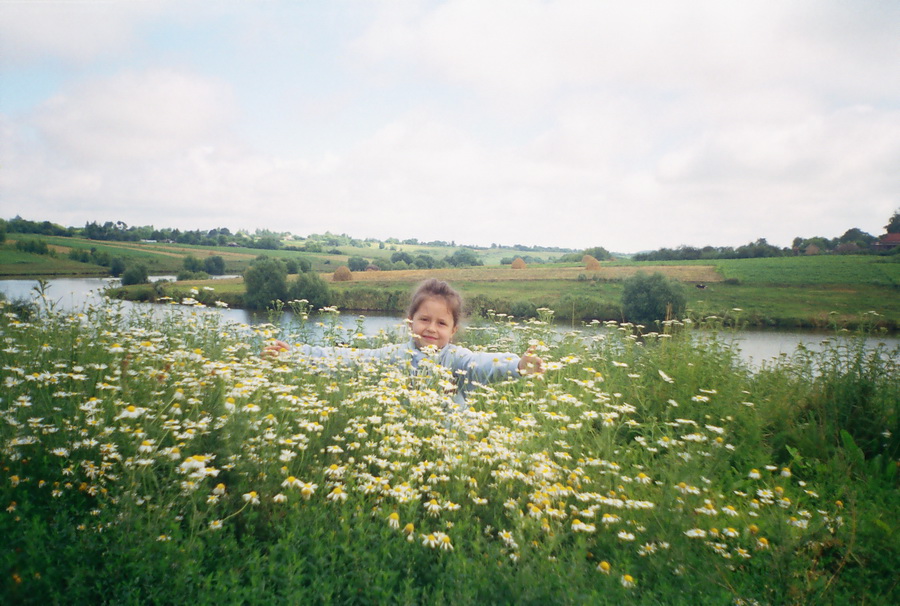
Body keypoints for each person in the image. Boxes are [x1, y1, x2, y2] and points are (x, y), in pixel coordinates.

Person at [264, 278, 544, 407]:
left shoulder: (458, 361)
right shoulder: (392, 357)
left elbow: (485, 364)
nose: (431, 329)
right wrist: (296, 353)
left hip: (450, 456)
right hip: (401, 451)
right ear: (410, 321)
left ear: (454, 330)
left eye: (442, 323)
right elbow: (347, 359)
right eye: (424, 320)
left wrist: (517, 366)